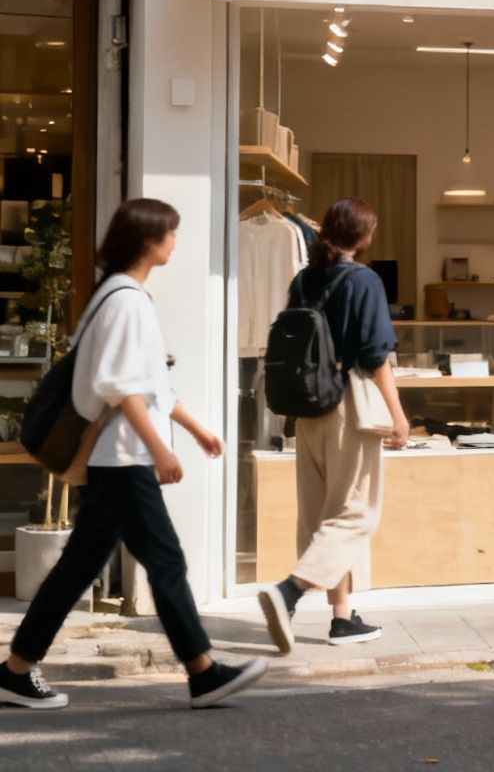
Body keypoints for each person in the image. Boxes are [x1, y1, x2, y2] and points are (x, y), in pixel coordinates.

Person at [2, 198, 269, 710]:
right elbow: (118, 386)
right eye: (171, 232)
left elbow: (149, 385)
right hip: (121, 458)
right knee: (165, 561)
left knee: (77, 569)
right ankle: (203, 671)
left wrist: (194, 429)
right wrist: (159, 451)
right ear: (149, 239)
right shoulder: (126, 301)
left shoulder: (120, 296)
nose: (176, 241)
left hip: (114, 459)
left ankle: (16, 670)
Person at [256, 196, 405, 653]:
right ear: (363, 235)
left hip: (308, 411)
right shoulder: (364, 280)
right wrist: (398, 415)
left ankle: (342, 617)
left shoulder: (304, 279)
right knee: (355, 513)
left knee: (320, 515)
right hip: (350, 407)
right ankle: (289, 592)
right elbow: (375, 354)